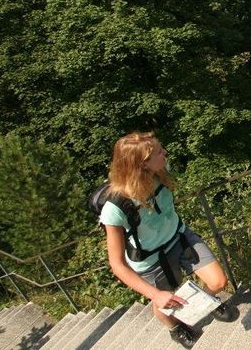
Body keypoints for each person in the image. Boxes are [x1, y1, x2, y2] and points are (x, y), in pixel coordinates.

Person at [101, 132, 239, 349]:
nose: (164, 152)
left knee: (218, 282)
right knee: (164, 301)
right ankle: (175, 329)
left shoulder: (160, 172)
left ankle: (204, 304)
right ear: (142, 164)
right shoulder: (116, 207)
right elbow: (117, 264)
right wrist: (154, 294)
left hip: (179, 236)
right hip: (151, 260)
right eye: (158, 151)